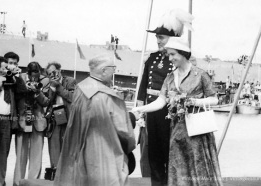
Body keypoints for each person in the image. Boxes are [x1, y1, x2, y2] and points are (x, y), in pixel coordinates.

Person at [133, 37, 223, 186]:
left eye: (173, 54)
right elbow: (161, 101)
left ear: (183, 54)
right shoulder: (169, 78)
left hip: (197, 132)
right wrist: (140, 109)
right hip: (177, 131)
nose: (170, 58)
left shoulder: (200, 75)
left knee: (197, 167)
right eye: (169, 54)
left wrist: (193, 102)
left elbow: (214, 99)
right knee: (177, 167)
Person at [53, 54, 135, 186]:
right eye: (113, 68)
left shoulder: (80, 89)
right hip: (103, 156)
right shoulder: (109, 97)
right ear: (103, 70)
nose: (114, 71)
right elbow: (126, 134)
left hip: (77, 151)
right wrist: (128, 148)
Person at [137, 9, 193, 186]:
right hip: (152, 111)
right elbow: (143, 87)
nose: (158, 40)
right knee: (152, 153)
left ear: (173, 39)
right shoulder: (152, 58)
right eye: (157, 37)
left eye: (161, 37)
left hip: (170, 112)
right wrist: (140, 110)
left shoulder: (180, 60)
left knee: (170, 153)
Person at [0, 56, 24, 186]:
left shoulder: (11, 80)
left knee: (2, 157)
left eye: (7, 68)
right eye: (3, 68)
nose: (5, 70)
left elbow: (23, 91)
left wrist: (17, 76)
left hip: (6, 120)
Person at [13, 62, 50, 186]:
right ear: (28, 73)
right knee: (20, 157)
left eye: (37, 75)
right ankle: (17, 183)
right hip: (23, 120)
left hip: (38, 122)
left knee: (36, 158)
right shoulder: (19, 78)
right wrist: (25, 90)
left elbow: (46, 102)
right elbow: (15, 97)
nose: (35, 78)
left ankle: (33, 183)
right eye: (33, 76)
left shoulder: (44, 81)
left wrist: (37, 92)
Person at [45, 62, 77, 168]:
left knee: (68, 150)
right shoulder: (48, 84)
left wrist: (58, 87)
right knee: (54, 151)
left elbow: (72, 98)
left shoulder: (70, 81)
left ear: (60, 70)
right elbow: (47, 101)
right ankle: (55, 174)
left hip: (68, 119)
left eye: (54, 72)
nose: (53, 75)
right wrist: (52, 88)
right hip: (55, 119)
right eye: (50, 74)